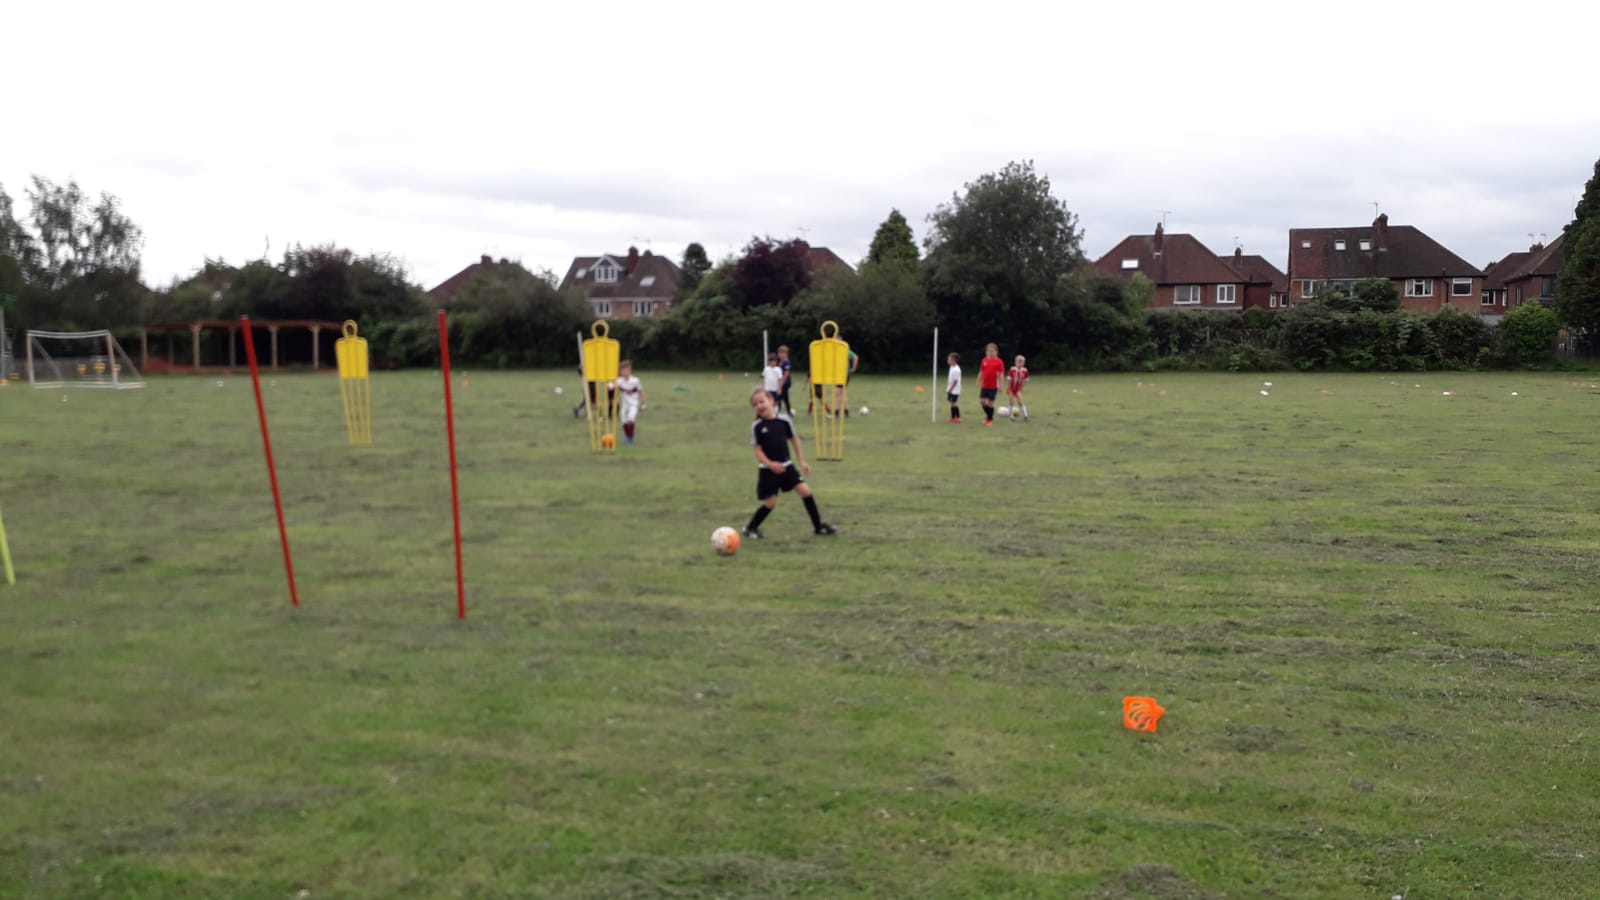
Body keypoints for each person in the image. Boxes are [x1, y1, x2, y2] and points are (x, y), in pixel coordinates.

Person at [743, 386, 837, 539]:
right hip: (768, 471)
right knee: (771, 503)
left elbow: (795, 440)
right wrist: (770, 464)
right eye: (755, 404)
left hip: (787, 466)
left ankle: (818, 527)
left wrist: (801, 461)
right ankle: (751, 528)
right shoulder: (757, 426)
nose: (759, 405)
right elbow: (758, 450)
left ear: (771, 401)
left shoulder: (784, 420)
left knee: (806, 492)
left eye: (762, 401)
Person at [615, 360, 643, 444]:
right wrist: (610, 386)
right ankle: (627, 437)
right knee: (624, 421)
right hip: (624, 405)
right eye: (621, 370)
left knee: (630, 420)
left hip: (633, 405)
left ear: (629, 370)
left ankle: (630, 439)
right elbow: (612, 386)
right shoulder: (619, 380)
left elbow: (641, 391)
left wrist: (643, 403)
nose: (623, 372)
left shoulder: (635, 380)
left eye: (625, 370)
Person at [977, 342, 1004, 425]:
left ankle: (989, 420)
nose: (990, 353)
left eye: (992, 351)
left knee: (990, 403)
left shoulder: (999, 362)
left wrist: (1001, 386)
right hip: (985, 385)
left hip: (993, 386)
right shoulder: (984, 360)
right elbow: (981, 371)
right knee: (982, 401)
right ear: (986, 352)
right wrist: (978, 380)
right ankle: (990, 415)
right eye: (989, 351)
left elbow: (1001, 375)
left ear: (996, 352)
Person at [1006, 354, 1030, 422]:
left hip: (1018, 389)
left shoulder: (1025, 370)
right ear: (1015, 362)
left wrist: (1021, 387)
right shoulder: (1012, 369)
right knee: (1011, 402)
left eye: (1021, 362)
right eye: (1018, 362)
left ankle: (1025, 415)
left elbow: (1025, 380)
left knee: (1020, 401)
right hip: (1011, 388)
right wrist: (1009, 388)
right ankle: (1011, 416)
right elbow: (1009, 379)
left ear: (1024, 363)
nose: (1020, 363)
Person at [777, 345, 795, 414]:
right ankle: (789, 411)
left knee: (779, 397)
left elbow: (786, 374)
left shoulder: (787, 362)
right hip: (781, 383)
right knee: (785, 398)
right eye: (780, 353)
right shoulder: (779, 362)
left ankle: (777, 411)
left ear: (786, 354)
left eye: (782, 353)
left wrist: (781, 384)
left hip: (785, 383)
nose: (781, 355)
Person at [945, 352, 963, 423]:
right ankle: (952, 417)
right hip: (951, 389)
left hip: (955, 390)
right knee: (952, 403)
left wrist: (950, 389)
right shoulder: (952, 367)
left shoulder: (956, 369)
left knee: (954, 403)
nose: (948, 360)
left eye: (949, 359)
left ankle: (958, 417)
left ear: (953, 360)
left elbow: (955, 381)